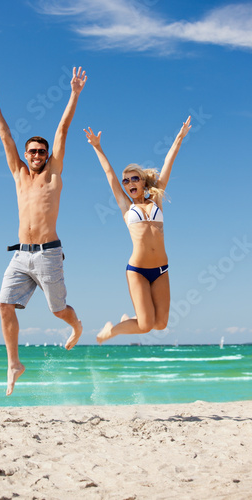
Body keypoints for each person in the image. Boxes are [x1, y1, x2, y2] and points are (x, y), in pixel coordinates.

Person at [0, 67, 86, 395]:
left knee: (58, 310)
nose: (37, 155)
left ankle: (77, 325)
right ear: (26, 156)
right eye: (33, 152)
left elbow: (63, 129)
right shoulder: (19, 174)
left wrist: (74, 93)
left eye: (42, 151)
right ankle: (14, 363)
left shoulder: (53, 173)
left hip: (49, 253)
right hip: (20, 255)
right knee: (3, 304)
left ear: (47, 156)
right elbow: (5, 136)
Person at [84, 116, 191, 344]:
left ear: (143, 182)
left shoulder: (156, 201)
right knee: (145, 326)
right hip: (138, 271)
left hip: (161, 269)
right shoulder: (126, 207)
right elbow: (109, 176)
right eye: (126, 181)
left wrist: (179, 138)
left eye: (134, 178)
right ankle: (113, 330)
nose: (130, 183)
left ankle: (127, 318)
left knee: (160, 324)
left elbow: (168, 165)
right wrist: (97, 148)